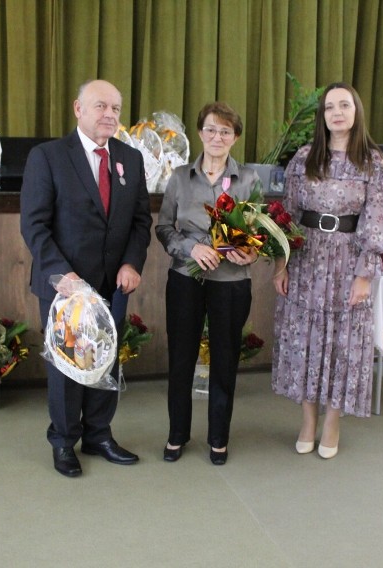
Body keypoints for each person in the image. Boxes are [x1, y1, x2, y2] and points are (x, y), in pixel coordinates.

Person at [20, 79, 152, 477]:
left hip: (115, 285)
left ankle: (98, 435)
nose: (109, 114)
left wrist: (132, 264)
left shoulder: (131, 158)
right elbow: (34, 225)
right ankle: (63, 441)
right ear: (78, 108)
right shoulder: (48, 157)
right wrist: (64, 276)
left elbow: (141, 222)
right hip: (66, 288)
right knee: (66, 367)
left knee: (105, 363)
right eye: (100, 106)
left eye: (115, 107)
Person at [272, 83, 383, 459]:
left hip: (347, 260)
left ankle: (333, 421)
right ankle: (308, 419)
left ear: (356, 111)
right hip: (306, 258)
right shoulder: (304, 158)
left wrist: (364, 275)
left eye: (344, 105)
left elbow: (377, 220)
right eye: (329, 107)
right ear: (322, 116)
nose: (336, 112)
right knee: (303, 340)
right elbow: (285, 216)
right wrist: (281, 262)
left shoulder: (372, 163)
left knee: (344, 343)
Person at [155, 102, 261, 465]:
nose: (218, 137)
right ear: (200, 133)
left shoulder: (248, 179)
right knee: (181, 357)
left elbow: (258, 232)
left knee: (225, 359)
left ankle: (219, 437)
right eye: (212, 129)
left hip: (231, 281)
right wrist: (191, 248)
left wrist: (251, 251)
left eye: (226, 131)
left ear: (235, 138)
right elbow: (164, 228)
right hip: (186, 277)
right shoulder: (180, 177)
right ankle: (177, 434)